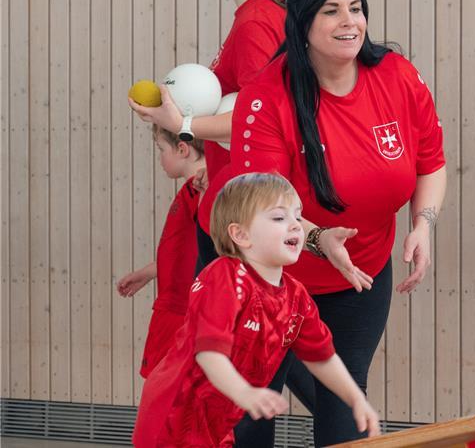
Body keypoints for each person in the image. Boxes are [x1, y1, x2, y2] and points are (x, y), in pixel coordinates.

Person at [229, 0, 447, 445]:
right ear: (303, 23)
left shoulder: (396, 75)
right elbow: (260, 207)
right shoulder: (266, 98)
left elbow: (430, 162)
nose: (349, 21)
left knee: (345, 405)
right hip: (271, 281)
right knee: (252, 413)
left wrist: (422, 224)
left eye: (355, 8)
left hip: (360, 277)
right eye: (331, 11)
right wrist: (316, 237)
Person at [131, 173, 380, 447]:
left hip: (219, 423)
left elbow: (321, 357)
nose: (296, 226)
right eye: (278, 218)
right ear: (240, 234)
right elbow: (209, 354)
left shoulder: (296, 297)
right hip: (173, 419)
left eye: (298, 216)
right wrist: (246, 393)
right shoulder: (224, 278)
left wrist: (356, 399)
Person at [129, 0, 311, 270]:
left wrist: (181, 122)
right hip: (238, 203)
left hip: (241, 213)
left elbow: (263, 119)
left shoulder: (256, 22)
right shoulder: (258, 17)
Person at [116, 125, 205, 378]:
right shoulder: (193, 190)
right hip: (175, 304)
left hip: (181, 309)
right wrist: (149, 272)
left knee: (163, 390)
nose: (160, 158)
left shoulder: (198, 190)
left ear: (182, 149)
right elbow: (190, 249)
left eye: (161, 149)